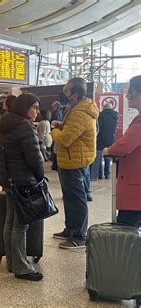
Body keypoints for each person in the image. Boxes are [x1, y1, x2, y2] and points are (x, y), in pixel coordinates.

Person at [0, 93, 44, 281]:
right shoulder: (24, 126)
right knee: (21, 224)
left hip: (8, 180)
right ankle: (22, 268)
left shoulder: (7, 124)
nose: (37, 112)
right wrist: (40, 177)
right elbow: (34, 158)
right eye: (35, 107)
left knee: (10, 221)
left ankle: (12, 262)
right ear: (25, 108)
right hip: (22, 181)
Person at [51, 77, 98, 249]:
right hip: (70, 160)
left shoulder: (80, 112)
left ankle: (79, 236)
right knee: (69, 197)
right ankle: (70, 229)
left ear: (74, 95)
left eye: (66, 90)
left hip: (75, 161)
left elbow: (64, 140)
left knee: (77, 199)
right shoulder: (76, 108)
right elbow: (73, 130)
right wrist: (62, 124)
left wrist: (55, 130)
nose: (63, 93)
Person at [103, 75, 141, 227]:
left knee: (126, 233)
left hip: (136, 189)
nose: (127, 96)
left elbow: (123, 146)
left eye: (131, 92)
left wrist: (108, 150)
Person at [96, 101, 118, 179]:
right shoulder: (116, 115)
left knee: (98, 157)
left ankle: (99, 174)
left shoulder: (101, 115)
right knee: (107, 155)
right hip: (110, 137)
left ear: (104, 108)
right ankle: (107, 174)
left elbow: (99, 128)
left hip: (101, 138)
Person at [50, 101, 63, 170]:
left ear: (56, 106)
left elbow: (53, 123)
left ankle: (55, 165)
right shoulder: (60, 112)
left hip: (55, 131)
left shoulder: (55, 113)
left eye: (53, 106)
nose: (52, 107)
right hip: (58, 131)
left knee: (54, 149)